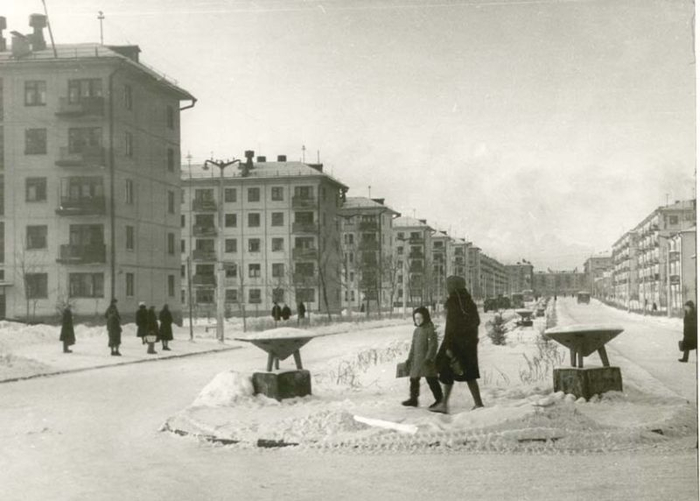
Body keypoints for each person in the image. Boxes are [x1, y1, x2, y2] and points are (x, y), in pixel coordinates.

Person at [431, 275, 484, 414]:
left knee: (445, 369)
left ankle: (444, 404)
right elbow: (476, 322)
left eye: (448, 285)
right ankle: (478, 404)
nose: (446, 288)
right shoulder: (469, 301)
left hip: (454, 343)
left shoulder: (453, 302)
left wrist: (448, 347)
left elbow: (451, 327)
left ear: (453, 286)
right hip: (469, 344)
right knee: (469, 374)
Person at [402, 306, 443, 408]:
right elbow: (413, 346)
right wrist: (409, 359)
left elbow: (433, 345)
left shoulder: (430, 329)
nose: (418, 320)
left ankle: (440, 400)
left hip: (427, 361)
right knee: (414, 379)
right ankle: (413, 399)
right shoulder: (416, 331)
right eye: (416, 318)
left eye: (420, 318)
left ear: (426, 317)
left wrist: (429, 358)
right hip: (416, 361)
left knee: (431, 379)